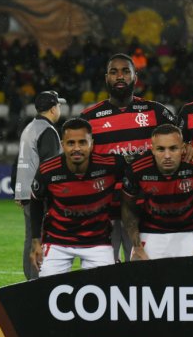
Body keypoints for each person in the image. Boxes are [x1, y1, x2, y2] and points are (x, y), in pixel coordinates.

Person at [80, 53, 178, 263]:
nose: (120, 76)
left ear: (135, 76)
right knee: (105, 275)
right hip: (105, 212)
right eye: (114, 72)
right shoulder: (89, 118)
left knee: (144, 275)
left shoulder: (156, 112)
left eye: (126, 71)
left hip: (146, 211)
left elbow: (180, 147)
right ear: (106, 78)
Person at [29, 118, 124, 277]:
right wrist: (36, 241)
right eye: (71, 143)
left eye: (82, 142)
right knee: (46, 292)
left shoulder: (111, 165)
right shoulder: (47, 170)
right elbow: (36, 202)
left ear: (91, 144)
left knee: (105, 292)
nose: (77, 148)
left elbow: (137, 174)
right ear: (62, 144)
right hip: (58, 242)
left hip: (98, 242)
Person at [121, 124, 193, 260]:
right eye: (160, 149)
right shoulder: (137, 169)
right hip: (151, 231)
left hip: (191, 230)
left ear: (183, 148)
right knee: (145, 278)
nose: (167, 155)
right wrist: (137, 246)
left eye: (173, 148)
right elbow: (127, 208)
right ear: (152, 149)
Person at [14, 90, 66, 279]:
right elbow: (49, 168)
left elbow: (18, 162)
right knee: (42, 239)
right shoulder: (47, 131)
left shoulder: (30, 128)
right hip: (40, 195)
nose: (60, 108)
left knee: (31, 238)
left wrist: (18, 190)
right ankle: (38, 283)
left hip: (28, 193)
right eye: (58, 105)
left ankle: (30, 280)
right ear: (53, 108)